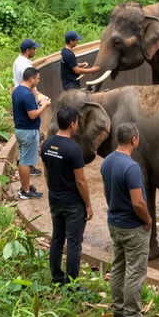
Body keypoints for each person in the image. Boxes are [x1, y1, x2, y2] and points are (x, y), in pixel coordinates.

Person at [101, 122, 154, 317]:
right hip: (132, 226)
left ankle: (118, 311)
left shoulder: (107, 162)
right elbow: (138, 202)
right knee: (135, 271)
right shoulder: (131, 168)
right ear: (134, 140)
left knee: (118, 267)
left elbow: (107, 192)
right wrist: (148, 219)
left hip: (114, 223)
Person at [41, 106, 93, 286]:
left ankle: (56, 278)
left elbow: (46, 173)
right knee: (73, 243)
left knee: (57, 238)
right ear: (72, 125)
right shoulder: (74, 149)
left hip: (55, 199)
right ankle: (71, 283)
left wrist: (53, 191)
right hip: (73, 204)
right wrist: (88, 205)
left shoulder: (47, 144)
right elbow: (81, 181)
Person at [12, 66, 51, 199]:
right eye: (38, 78)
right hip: (28, 131)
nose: (39, 81)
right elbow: (33, 115)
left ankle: (25, 187)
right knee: (25, 161)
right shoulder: (28, 95)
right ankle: (26, 191)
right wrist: (44, 106)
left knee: (23, 159)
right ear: (32, 78)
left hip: (20, 129)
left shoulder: (17, 91)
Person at [13, 38, 43, 176]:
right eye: (33, 48)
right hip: (27, 123)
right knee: (27, 151)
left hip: (20, 101)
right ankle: (28, 169)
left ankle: (26, 165)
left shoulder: (18, 61)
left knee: (24, 150)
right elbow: (33, 115)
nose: (35, 50)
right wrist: (39, 101)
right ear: (27, 50)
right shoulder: (25, 66)